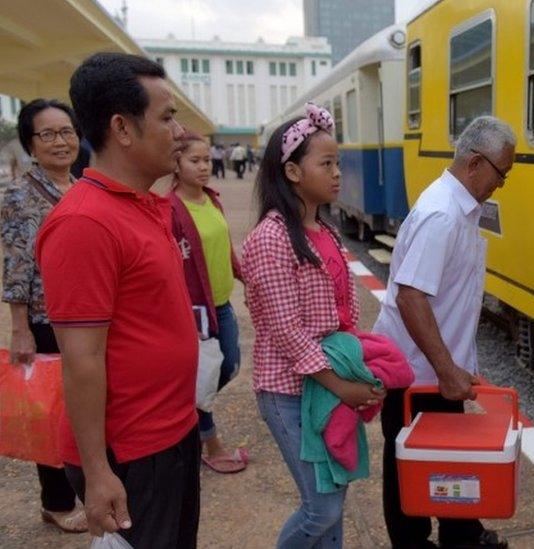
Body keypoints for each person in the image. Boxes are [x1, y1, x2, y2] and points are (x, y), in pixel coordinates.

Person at [36, 52, 200, 546]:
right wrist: (97, 470)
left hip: (173, 431)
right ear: (122, 129)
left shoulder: (144, 203)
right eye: (167, 117)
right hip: (132, 451)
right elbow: (81, 359)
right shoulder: (84, 223)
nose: (180, 131)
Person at [242, 102, 385, 548]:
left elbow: (343, 312)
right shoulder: (271, 238)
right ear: (292, 172)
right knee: (321, 506)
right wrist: (342, 386)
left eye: (337, 162)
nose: (338, 172)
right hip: (289, 390)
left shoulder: (325, 231)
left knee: (334, 496)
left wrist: (354, 370)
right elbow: (286, 330)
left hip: (326, 383)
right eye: (326, 163)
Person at [373, 116, 515, 549]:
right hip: (416, 372)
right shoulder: (443, 215)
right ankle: (416, 543)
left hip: (436, 367)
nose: (501, 185)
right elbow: (410, 296)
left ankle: (461, 533)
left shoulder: (458, 207)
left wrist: (456, 365)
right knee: (409, 465)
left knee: (447, 455)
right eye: (501, 174)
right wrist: (446, 367)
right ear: (475, 163)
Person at [2, 98, 86, 534]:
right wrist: (21, 331)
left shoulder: (81, 187)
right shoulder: (20, 195)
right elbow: (16, 266)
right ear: (31, 144)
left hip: (86, 319)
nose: (61, 141)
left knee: (84, 408)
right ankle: (55, 502)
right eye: (48, 134)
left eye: (67, 131)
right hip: (47, 320)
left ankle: (84, 488)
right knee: (52, 411)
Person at [167, 132, 247, 474]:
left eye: (206, 160)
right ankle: (209, 441)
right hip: (193, 312)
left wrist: (245, 276)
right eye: (194, 161)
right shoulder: (169, 210)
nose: (203, 167)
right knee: (204, 374)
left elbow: (224, 246)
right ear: (176, 163)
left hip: (222, 304)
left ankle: (184, 421)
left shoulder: (212, 199)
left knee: (228, 366)